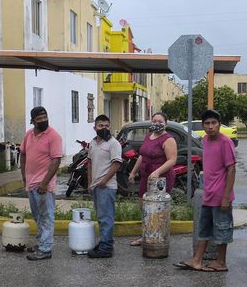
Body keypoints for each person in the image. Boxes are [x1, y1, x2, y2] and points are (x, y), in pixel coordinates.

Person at [174, 109, 236, 272]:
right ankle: (197, 260)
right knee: (204, 229)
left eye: (213, 123)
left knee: (222, 229)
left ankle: (221, 262)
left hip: (221, 195)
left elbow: (231, 169)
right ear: (203, 126)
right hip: (208, 194)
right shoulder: (205, 141)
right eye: (207, 124)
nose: (210, 127)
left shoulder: (226, 142)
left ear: (219, 124)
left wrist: (227, 196)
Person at [127, 112, 177, 246]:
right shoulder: (149, 136)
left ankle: (158, 236)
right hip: (146, 177)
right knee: (144, 206)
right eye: (154, 121)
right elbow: (142, 156)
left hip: (161, 179)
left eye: (160, 121)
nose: (157, 124)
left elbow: (172, 160)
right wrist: (133, 172)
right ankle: (145, 235)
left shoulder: (168, 139)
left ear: (165, 124)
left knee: (158, 208)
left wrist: (157, 172)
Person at [20, 107, 62, 261]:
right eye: (39, 118)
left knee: (46, 217)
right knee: (37, 216)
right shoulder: (29, 135)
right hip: (31, 183)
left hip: (44, 184)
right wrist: (24, 175)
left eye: (45, 117)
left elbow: (56, 160)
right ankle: (41, 242)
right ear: (32, 121)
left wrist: (45, 183)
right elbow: (23, 153)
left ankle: (45, 249)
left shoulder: (54, 136)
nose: (43, 120)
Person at [86, 114, 122, 258]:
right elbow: (89, 163)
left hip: (107, 186)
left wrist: (104, 181)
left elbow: (116, 164)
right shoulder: (93, 143)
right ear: (95, 128)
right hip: (96, 186)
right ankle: (104, 242)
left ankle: (106, 248)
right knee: (101, 216)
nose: (104, 128)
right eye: (101, 126)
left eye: (107, 126)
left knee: (106, 217)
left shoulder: (113, 143)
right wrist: (90, 182)